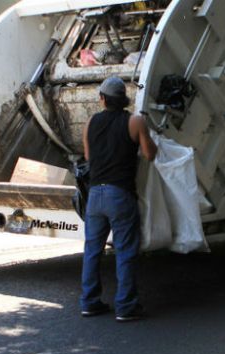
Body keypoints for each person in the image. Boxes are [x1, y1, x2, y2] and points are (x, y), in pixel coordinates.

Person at [79, 76, 157, 322]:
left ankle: (89, 302)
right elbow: (149, 154)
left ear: (102, 99)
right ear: (123, 99)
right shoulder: (135, 121)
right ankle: (125, 306)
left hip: (95, 194)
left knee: (92, 250)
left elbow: (88, 157)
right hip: (120, 194)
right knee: (124, 251)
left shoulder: (90, 122)